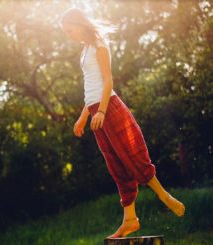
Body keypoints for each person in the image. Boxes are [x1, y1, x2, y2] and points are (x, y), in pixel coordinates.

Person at [59, 7, 185, 238]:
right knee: (116, 164)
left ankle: (163, 195)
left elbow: (108, 81)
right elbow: (91, 88)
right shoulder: (85, 50)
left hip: (109, 108)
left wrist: (102, 112)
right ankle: (130, 219)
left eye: (70, 30)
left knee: (132, 154)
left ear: (79, 24)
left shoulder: (98, 44)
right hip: (96, 110)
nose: (69, 35)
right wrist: (83, 117)